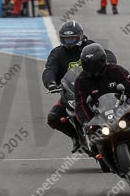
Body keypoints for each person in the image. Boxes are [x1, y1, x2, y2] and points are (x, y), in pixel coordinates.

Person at [43, 21, 117, 153]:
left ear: (80, 37)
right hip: (71, 92)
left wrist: (109, 62)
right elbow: (49, 69)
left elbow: (107, 53)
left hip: (95, 88)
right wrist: (51, 83)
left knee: (117, 101)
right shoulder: (57, 53)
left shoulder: (90, 46)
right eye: (66, 39)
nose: (69, 42)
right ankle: (75, 137)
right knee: (53, 117)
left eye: (72, 38)